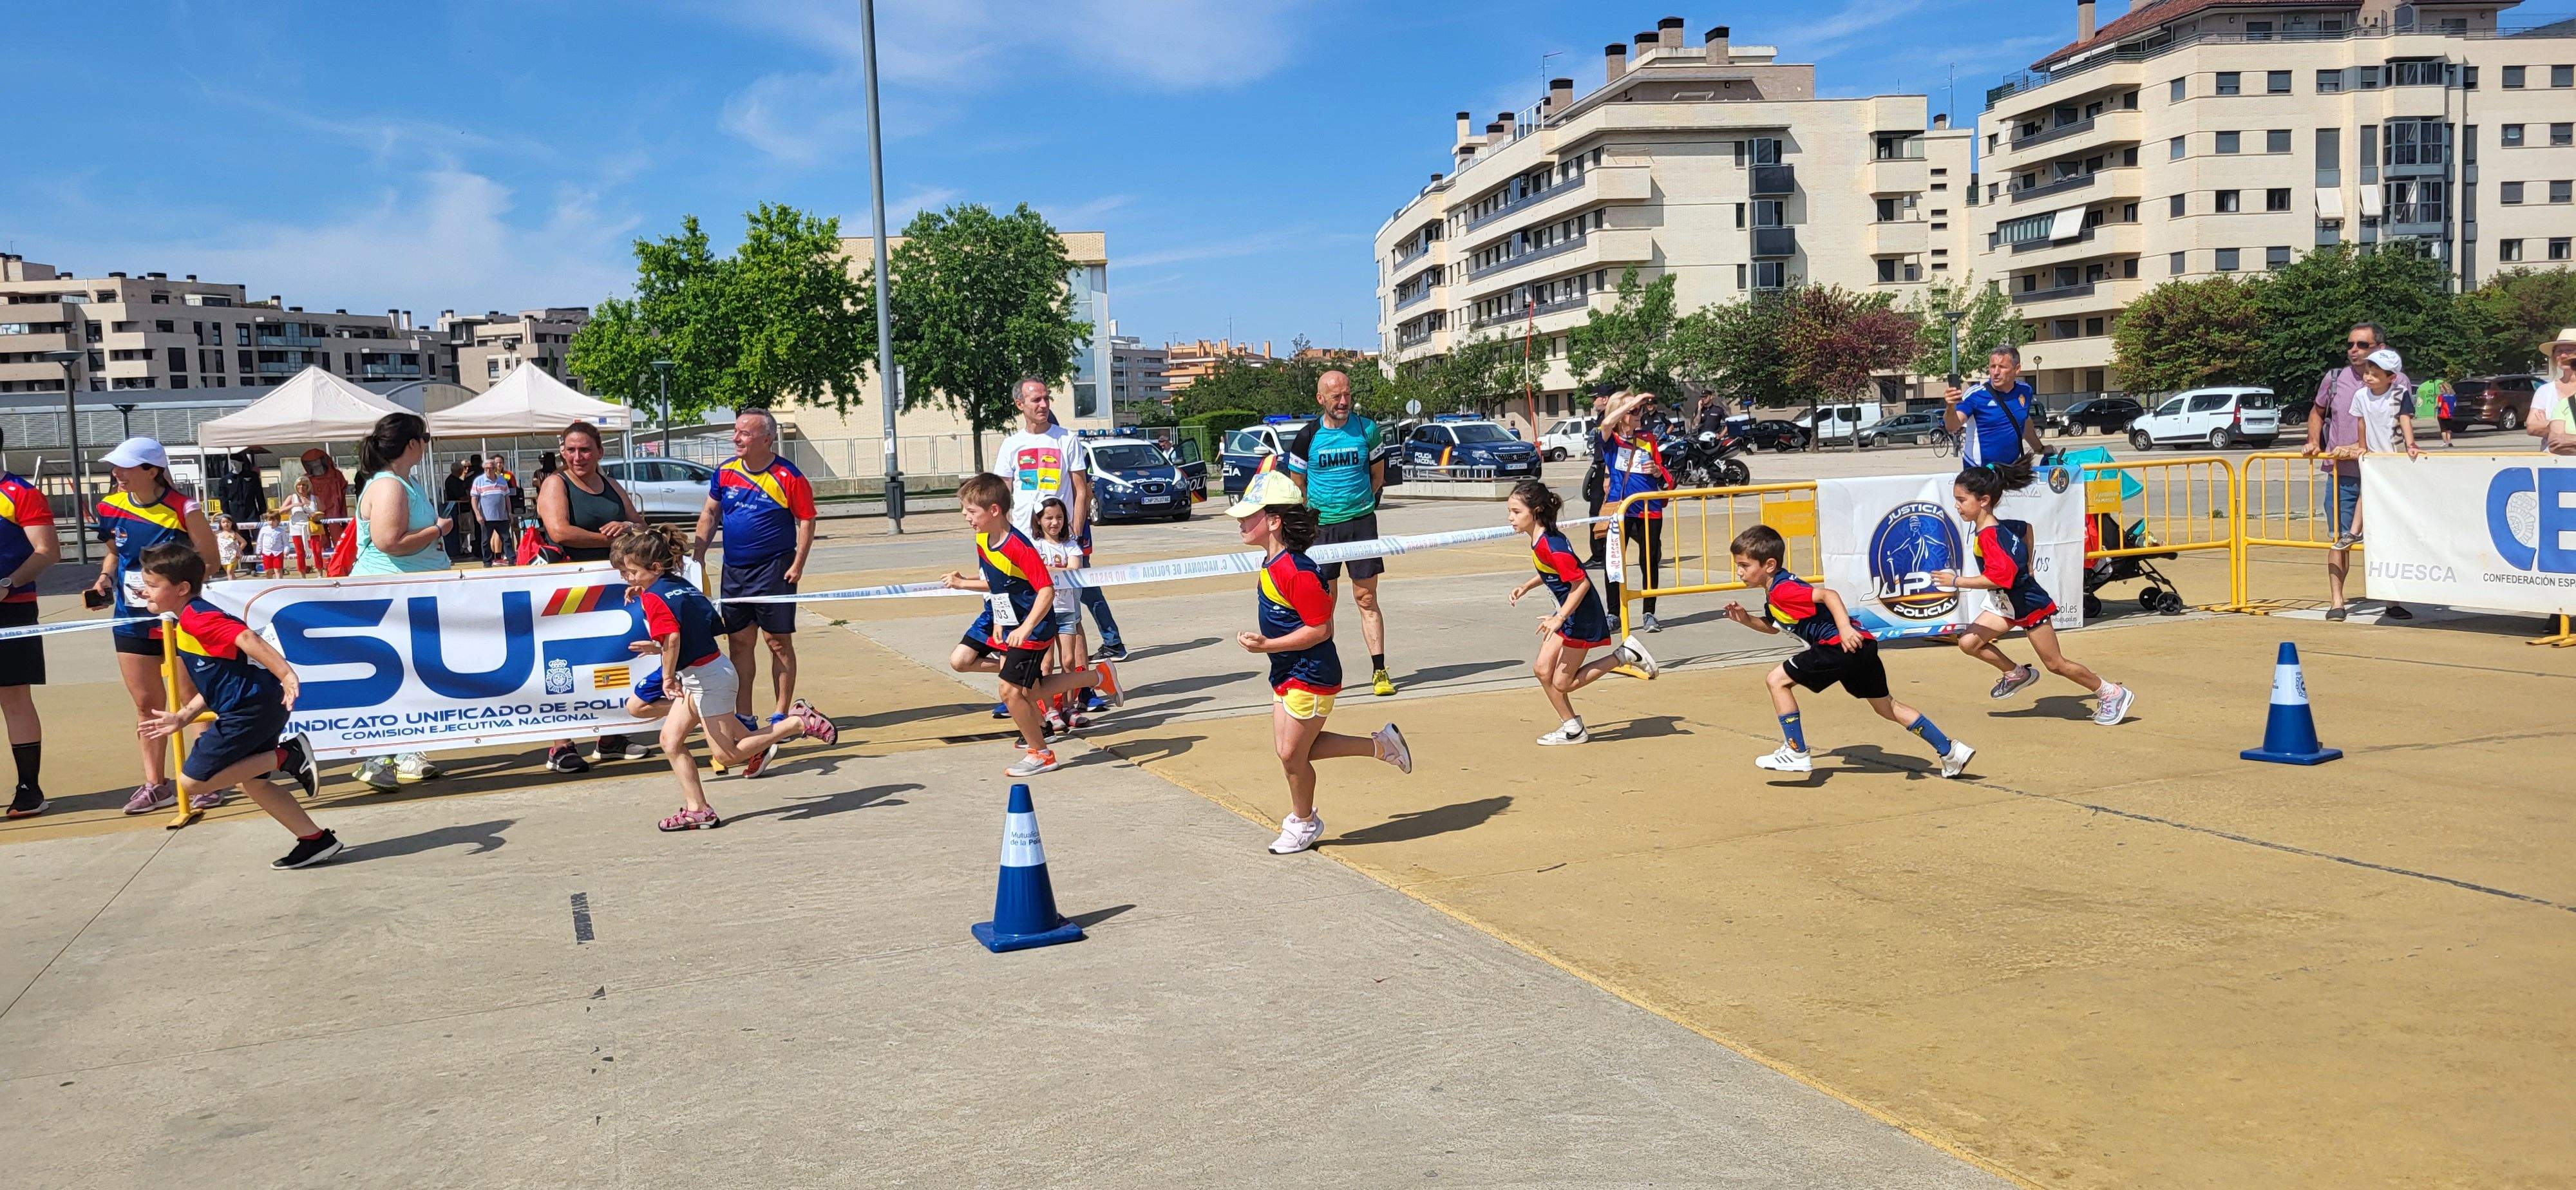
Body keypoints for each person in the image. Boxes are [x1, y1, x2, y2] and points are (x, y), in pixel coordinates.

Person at [1227, 470, 1411, 855]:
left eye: (1249, 515)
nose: (1241, 522)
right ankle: (1382, 746)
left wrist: (1268, 644)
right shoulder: (1273, 562)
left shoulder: (1296, 570)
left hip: (1310, 673)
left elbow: (1321, 628)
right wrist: (1271, 648)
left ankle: (1303, 822)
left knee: (1291, 755)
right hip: (1286, 670)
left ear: (1274, 521)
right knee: (1295, 751)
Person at [611, 525, 835, 831]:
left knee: (727, 755)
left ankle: (796, 722)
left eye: (632, 572)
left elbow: (673, 637)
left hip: (708, 681)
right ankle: (698, 810)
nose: (627, 578)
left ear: (655, 567)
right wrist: (652, 617)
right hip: (707, 674)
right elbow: (695, 626)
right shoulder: (679, 585)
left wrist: (667, 678)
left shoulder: (655, 597)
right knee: (671, 740)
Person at [132, 542, 337, 868]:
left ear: (182, 589)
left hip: (249, 710)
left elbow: (247, 638)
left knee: (193, 782)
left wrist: (286, 674)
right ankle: (315, 840)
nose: (145, 592)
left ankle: (287, 756)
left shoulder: (198, 618)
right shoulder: (188, 618)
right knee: (253, 783)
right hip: (258, 705)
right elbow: (221, 678)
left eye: (153, 585)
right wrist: (184, 716)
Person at [1720, 524, 1975, 779]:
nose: (1740, 571)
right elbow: (1773, 626)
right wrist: (1746, 619)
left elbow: (1828, 595)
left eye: (1745, 565)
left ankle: (1796, 751)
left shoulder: (1784, 589)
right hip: (1862, 645)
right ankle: (1950, 750)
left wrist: (1844, 629)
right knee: (1886, 707)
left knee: (1776, 681)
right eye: (1738, 565)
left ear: (1769, 565)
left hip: (1839, 644)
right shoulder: (1776, 592)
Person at [1931, 462, 2136, 726]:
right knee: (1969, 643)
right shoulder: (1996, 527)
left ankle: (2111, 693)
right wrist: (2028, 564)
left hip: (2027, 605)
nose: (1957, 506)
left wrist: (1956, 581)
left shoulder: (1990, 536)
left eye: (1962, 500)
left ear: (1984, 501)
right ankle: (2016, 674)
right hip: (2006, 604)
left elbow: (2000, 577)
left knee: (2056, 664)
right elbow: (2026, 529)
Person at [942, 472, 1118, 779]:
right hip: (1005, 619)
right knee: (991, 672)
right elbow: (999, 584)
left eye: (970, 511)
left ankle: (1041, 753)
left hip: (1032, 626)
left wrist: (1024, 629)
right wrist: (993, 613)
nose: (965, 516)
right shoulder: (983, 538)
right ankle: (1097, 676)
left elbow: (1046, 590)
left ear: (994, 510)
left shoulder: (1019, 547)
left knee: (1011, 692)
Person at [86, 437, 223, 814]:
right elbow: (115, 553)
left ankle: (206, 779)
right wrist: (105, 578)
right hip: (131, 617)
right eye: (115, 467)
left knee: (190, 697)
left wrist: (172, 590)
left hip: (180, 618)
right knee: (147, 703)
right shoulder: (109, 506)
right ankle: (155, 784)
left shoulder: (184, 508)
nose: (117, 473)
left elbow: (210, 561)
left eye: (126, 467)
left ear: (152, 471)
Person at [535, 420, 653, 772]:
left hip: (611, 588)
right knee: (564, 664)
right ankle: (561, 745)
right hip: (567, 589)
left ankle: (610, 737)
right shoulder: (556, 483)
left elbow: (640, 524)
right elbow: (559, 531)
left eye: (585, 450)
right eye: (571, 450)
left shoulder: (611, 484)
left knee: (610, 660)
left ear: (600, 451)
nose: (578, 457)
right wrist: (611, 540)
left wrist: (628, 528)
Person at [1506, 480, 1658, 747]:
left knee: (1563, 683)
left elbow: (1582, 583)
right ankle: (1572, 727)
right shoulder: (1542, 540)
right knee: (1542, 670)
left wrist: (1560, 617)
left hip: (1580, 616)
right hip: (1567, 613)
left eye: (1516, 512)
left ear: (1536, 511)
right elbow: (1553, 571)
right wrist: (1526, 586)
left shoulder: (1551, 545)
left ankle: (1624, 655)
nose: (1510, 518)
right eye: (1510, 511)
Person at [694, 410, 819, 729]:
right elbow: (710, 513)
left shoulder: (789, 476)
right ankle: (745, 716)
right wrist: (697, 555)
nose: (736, 438)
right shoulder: (725, 472)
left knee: (777, 642)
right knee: (739, 643)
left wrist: (798, 564)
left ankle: (781, 714)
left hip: (775, 570)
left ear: (766, 439)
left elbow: (807, 520)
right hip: (735, 571)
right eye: (736, 431)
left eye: (745, 434)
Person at [348, 413, 454, 791]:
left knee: (411, 674)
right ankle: (379, 756)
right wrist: (437, 530)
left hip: (409, 594)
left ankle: (405, 751)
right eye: (424, 438)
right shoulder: (389, 486)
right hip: (388, 596)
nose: (426, 445)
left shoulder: (406, 482)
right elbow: (389, 542)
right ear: (412, 444)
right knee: (395, 675)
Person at [990, 377, 1128, 667]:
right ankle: (1032, 684)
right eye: (1036, 400)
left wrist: (1073, 535)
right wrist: (1003, 538)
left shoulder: (1066, 439)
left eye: (1046, 398)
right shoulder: (1011, 444)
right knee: (1028, 613)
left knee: (1071, 618)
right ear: (1020, 404)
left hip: (1059, 543)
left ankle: (1082, 686)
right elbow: (1001, 496)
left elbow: (1081, 490)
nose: (1043, 404)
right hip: (1025, 544)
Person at [1283, 370, 1396, 695]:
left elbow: (1378, 476)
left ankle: (1379, 671)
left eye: (1347, 394)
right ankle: (1325, 673)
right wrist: (1312, 516)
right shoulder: (1307, 436)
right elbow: (1297, 483)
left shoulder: (1367, 430)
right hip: (1322, 529)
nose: (1344, 401)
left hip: (1361, 525)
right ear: (1321, 399)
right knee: (1324, 603)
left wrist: (1361, 503)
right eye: (1336, 397)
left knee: (1367, 598)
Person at [2304, 324, 2418, 621]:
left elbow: (2398, 425)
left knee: (2388, 538)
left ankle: (2392, 600)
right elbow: (2317, 411)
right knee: (2340, 539)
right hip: (2341, 474)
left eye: (2362, 345)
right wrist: (2314, 441)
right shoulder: (2335, 379)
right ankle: (2337, 602)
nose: (2354, 350)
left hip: (2384, 475)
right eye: (2350, 344)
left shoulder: (2399, 382)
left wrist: (2405, 446)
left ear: (2380, 348)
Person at [1, 446, 61, 818]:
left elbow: (47, 550)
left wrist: (8, 583)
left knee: (14, 696)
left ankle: (28, 789)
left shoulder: (20, 493)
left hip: (11, 607)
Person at [1598, 388, 1673, 632]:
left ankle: (1649, 612)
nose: (1640, 413)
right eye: (1634, 410)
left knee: (1649, 561)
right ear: (1622, 415)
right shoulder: (1611, 439)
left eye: (1640, 409)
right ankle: (1613, 613)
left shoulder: (1648, 438)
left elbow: (1664, 473)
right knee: (1614, 562)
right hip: (1621, 510)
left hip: (1649, 509)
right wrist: (1634, 401)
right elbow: (1606, 423)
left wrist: (1657, 471)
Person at [1028, 497, 1092, 739]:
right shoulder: (1034, 546)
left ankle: (1069, 707)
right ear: (1039, 521)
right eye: (1049, 518)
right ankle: (1050, 711)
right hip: (1044, 613)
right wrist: (1056, 572)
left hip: (1067, 610)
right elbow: (1032, 572)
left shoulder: (1070, 545)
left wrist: (1048, 571)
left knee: (1068, 660)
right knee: (1046, 664)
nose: (1055, 522)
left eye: (1059, 517)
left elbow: (1074, 570)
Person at [1942, 346, 2043, 468]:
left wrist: (2040, 448)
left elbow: (2024, 421)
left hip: (2010, 470)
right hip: (1980, 471)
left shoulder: (2025, 391)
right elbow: (1952, 426)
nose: (1995, 373)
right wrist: (1950, 407)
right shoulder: (1976, 395)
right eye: (1992, 367)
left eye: (2002, 367)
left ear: (2017, 369)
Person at [2526, 328, 2576, 455]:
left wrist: (2550, 426)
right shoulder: (2545, 391)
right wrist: (2564, 429)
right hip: (2551, 462)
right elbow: (2531, 427)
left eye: (2569, 351)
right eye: (2559, 351)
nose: (2563, 356)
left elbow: (2539, 427)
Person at [299, 449, 347, 554]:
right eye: (310, 462)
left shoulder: (336, 475)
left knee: (339, 538)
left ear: (323, 460)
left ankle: (342, 559)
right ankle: (326, 561)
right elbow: (302, 496)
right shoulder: (306, 479)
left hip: (333, 511)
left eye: (316, 460)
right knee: (321, 540)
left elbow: (342, 495)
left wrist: (343, 516)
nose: (314, 464)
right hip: (316, 512)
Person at [471, 455, 515, 567]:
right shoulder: (479, 481)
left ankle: (512, 559)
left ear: (495, 468)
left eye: (491, 468)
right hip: (487, 518)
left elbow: (507, 498)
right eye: (486, 468)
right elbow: (474, 499)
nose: (489, 471)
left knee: (507, 539)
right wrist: (477, 514)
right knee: (485, 541)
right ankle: (487, 562)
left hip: (502, 517)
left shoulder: (502, 480)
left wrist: (510, 513)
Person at [281, 475, 319, 576]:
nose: (301, 487)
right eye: (299, 485)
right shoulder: (292, 498)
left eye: (304, 485)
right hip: (296, 529)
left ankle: (320, 572)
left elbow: (322, 511)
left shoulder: (314, 498)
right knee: (300, 552)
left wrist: (314, 515)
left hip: (312, 528)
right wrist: (293, 505)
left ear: (308, 486)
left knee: (317, 550)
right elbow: (281, 511)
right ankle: (302, 574)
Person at [442, 458, 475, 560]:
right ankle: (463, 549)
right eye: (463, 468)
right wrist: (471, 498)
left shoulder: (454, 480)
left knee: (465, 530)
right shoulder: (454, 482)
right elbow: (461, 496)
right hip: (460, 509)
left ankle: (463, 548)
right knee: (464, 530)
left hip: (460, 509)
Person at [2416, 375, 2454, 449]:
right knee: (2449, 430)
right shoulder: (2452, 396)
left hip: (2441, 415)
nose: (2440, 389)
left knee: (2443, 429)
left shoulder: (2440, 396)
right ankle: (2450, 442)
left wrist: (2435, 407)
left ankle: (2445, 442)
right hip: (2450, 414)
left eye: (2440, 388)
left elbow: (2439, 405)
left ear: (2443, 388)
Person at [255, 511, 289, 577]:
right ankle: (269, 582)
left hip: (278, 553)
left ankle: (279, 581)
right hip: (266, 553)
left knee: (278, 570)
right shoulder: (264, 529)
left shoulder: (281, 531)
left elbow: (286, 543)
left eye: (273, 520)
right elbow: (260, 541)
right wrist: (258, 551)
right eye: (269, 520)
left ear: (278, 521)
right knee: (268, 571)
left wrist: (286, 550)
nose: (271, 522)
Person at [213, 513, 242, 579]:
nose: (226, 524)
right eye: (223, 522)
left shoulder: (234, 534)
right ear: (220, 524)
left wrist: (238, 551)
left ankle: (230, 584)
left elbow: (244, 543)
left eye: (228, 522)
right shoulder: (218, 534)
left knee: (229, 573)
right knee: (231, 574)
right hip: (223, 557)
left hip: (233, 557)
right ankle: (236, 583)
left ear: (232, 523)